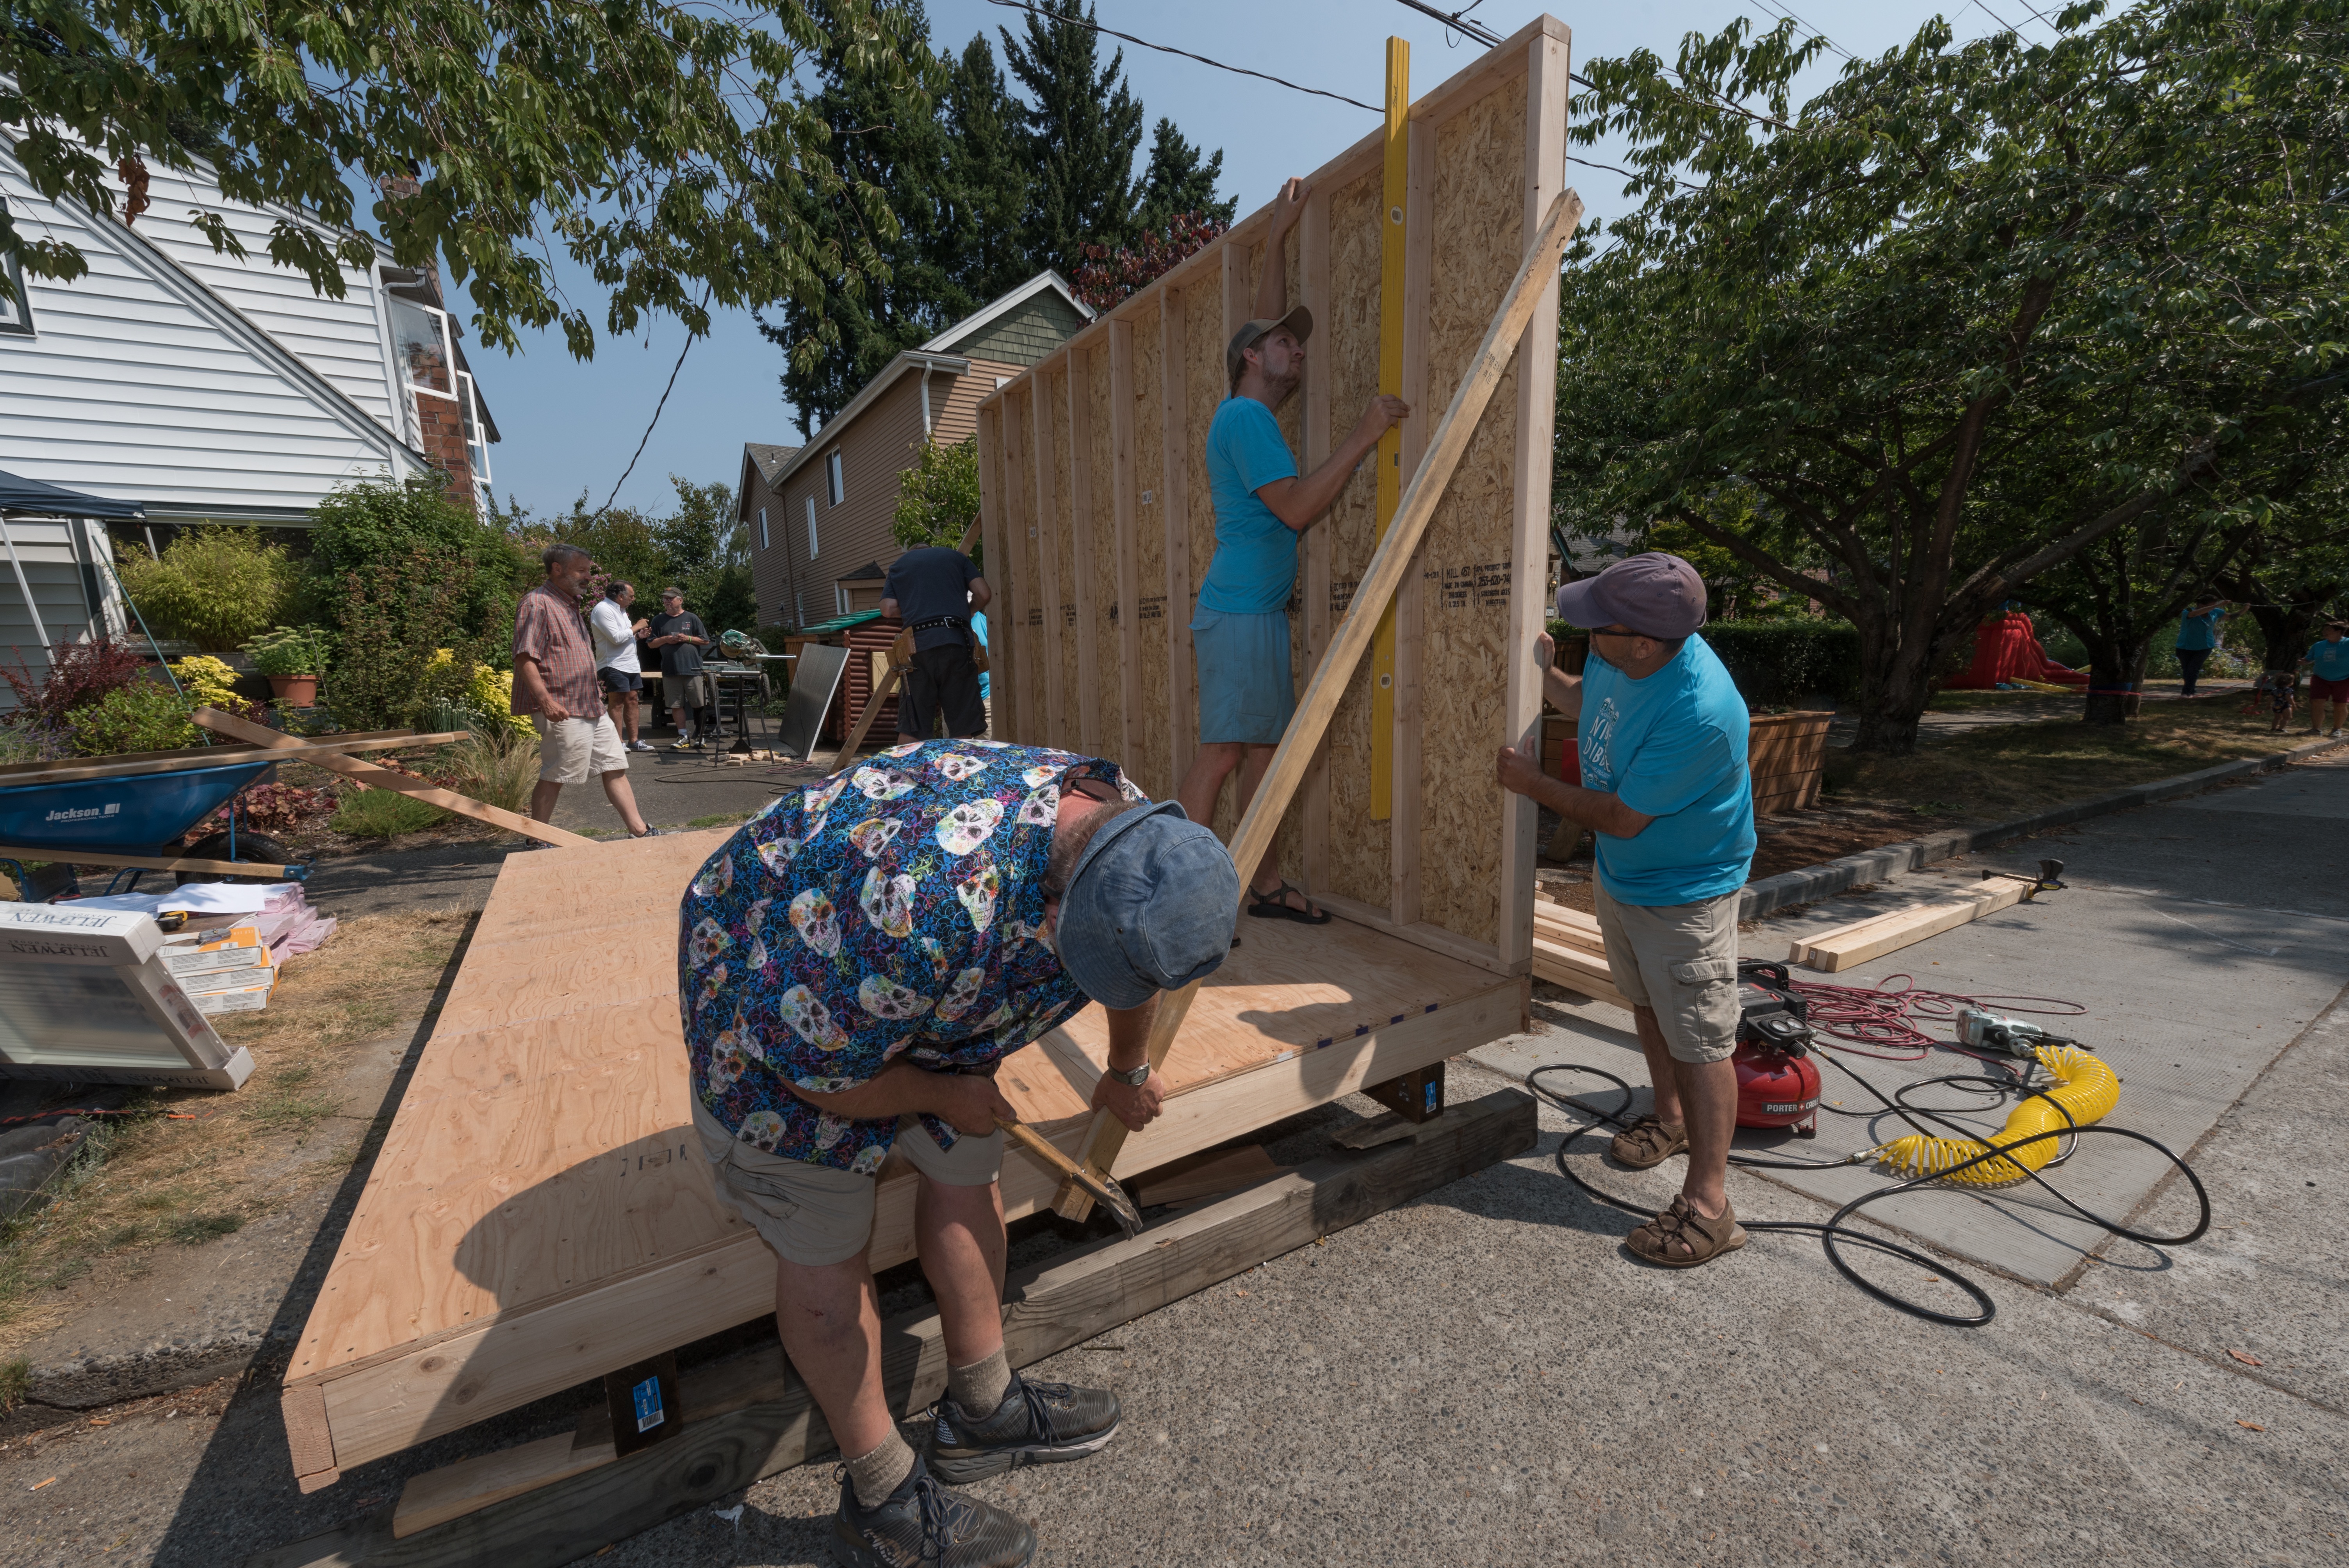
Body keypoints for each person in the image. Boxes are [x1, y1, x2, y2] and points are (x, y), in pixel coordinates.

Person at [680, 740, 1239, 1566]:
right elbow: (812, 1070)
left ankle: (981, 1410)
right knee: (823, 1228)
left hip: (916, 979)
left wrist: (1127, 1069)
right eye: (1077, 946)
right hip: (781, 995)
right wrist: (940, 1093)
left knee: (964, 1166)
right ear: (1057, 901)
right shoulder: (915, 905)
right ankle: (880, 1498)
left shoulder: (1133, 835)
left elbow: (1133, 971)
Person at [1495, 552, 1757, 1269]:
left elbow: (1618, 816)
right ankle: (1670, 1120)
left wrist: (1530, 783)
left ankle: (1710, 1208)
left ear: (1642, 640)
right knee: (1646, 1002)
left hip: (1686, 893)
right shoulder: (1622, 656)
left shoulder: (1701, 710)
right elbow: (1592, 703)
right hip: (1627, 879)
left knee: (1701, 1040)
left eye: (1595, 622)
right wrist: (1548, 679)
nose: (1583, 629)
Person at [1176, 176, 1410, 924]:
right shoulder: (1246, 420)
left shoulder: (1248, 407)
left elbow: (1260, 321)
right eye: (1285, 343)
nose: (1297, 350)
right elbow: (1300, 509)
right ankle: (1184, 893)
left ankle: (1261, 881)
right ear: (1252, 358)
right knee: (1224, 755)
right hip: (1242, 613)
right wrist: (1364, 435)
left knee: (1261, 755)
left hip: (1251, 615)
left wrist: (1277, 238)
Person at [510, 544, 659, 839]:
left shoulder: (570, 604)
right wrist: (545, 701)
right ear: (557, 569)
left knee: (614, 765)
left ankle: (639, 830)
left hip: (590, 704)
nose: (589, 577)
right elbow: (525, 658)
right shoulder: (537, 604)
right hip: (562, 706)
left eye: (589, 571)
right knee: (557, 773)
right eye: (582, 570)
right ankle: (537, 840)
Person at [880, 544, 992, 745]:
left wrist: (910, 611)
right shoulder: (956, 558)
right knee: (962, 725)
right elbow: (984, 594)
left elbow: (888, 609)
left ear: (912, 553)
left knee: (913, 725)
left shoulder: (900, 566)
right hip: (957, 643)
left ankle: (906, 775)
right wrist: (969, 610)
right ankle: (959, 774)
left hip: (917, 648)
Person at [588, 581, 654, 753]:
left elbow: (625, 637)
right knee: (617, 702)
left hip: (630, 664)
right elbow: (616, 638)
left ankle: (634, 741)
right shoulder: (602, 610)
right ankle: (618, 742)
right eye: (631, 596)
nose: (633, 599)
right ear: (620, 597)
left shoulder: (622, 612)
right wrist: (637, 626)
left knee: (633, 700)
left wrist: (638, 635)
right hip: (614, 664)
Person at [648, 586, 717, 749]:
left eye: (670, 599)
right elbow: (651, 644)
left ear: (680, 600)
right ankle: (683, 736)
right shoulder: (658, 620)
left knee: (698, 703)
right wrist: (665, 639)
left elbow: (705, 641)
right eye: (665, 599)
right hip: (671, 669)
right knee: (676, 705)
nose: (667, 601)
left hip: (693, 669)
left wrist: (687, 638)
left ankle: (700, 737)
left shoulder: (692, 618)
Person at [2174, 593, 2230, 697]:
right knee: (2187, 670)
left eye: (2214, 605)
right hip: (2185, 646)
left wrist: (2244, 610)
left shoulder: (2215, 612)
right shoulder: (2189, 612)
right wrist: (2217, 605)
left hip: (2205, 646)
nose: (2212, 608)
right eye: (2210, 605)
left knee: (2193, 669)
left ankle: (2187, 692)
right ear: (2200, 604)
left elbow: (2230, 617)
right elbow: (2196, 614)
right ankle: (2190, 691)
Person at [2304, 620, 2349, 738]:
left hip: (2344, 678)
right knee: (2317, 703)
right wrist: (2303, 661)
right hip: (2320, 678)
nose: (2324, 632)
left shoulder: (2347, 643)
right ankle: (2316, 729)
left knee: (2340, 704)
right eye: (2324, 630)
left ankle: (2337, 730)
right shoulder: (2319, 645)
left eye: (2328, 630)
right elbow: (2309, 658)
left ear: (2339, 632)